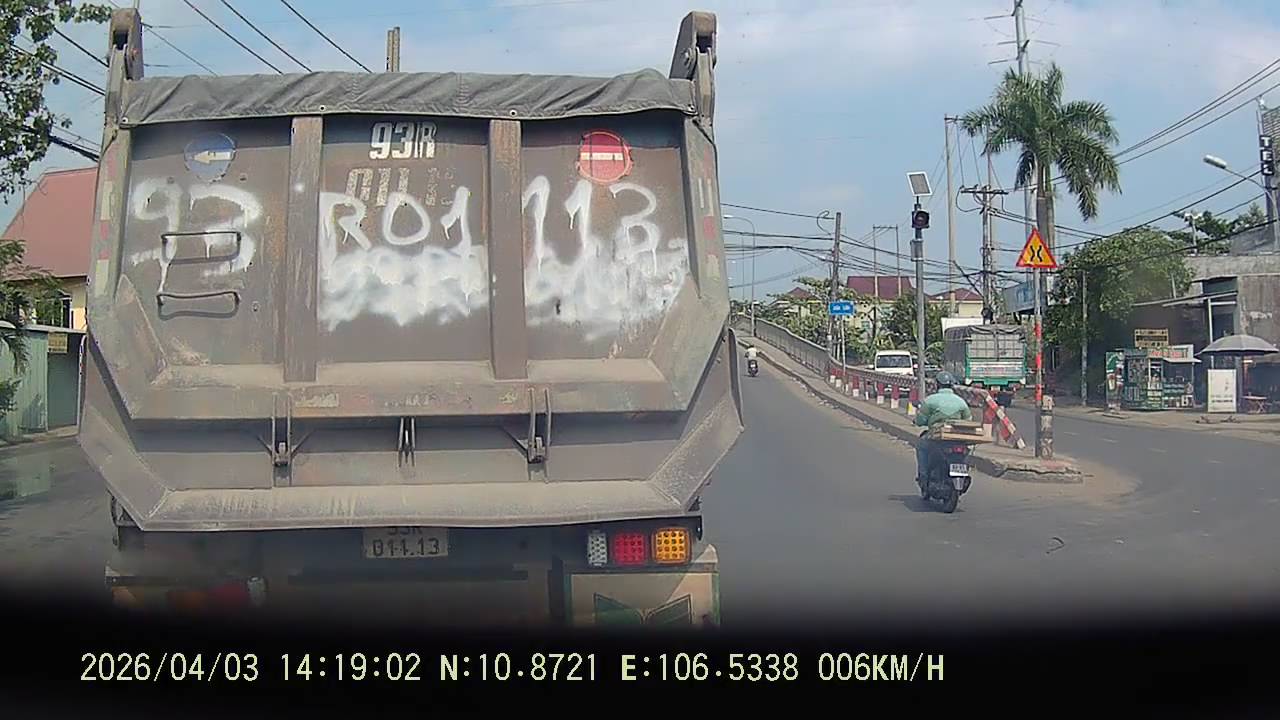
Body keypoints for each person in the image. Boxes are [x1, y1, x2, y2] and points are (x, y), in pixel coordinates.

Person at [913, 371, 973, 481]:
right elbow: (968, 420)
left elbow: (920, 420)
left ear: (937, 384)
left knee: (921, 447)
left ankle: (923, 475)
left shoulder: (930, 400)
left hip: (937, 436)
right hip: (957, 437)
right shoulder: (961, 402)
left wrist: (918, 421)